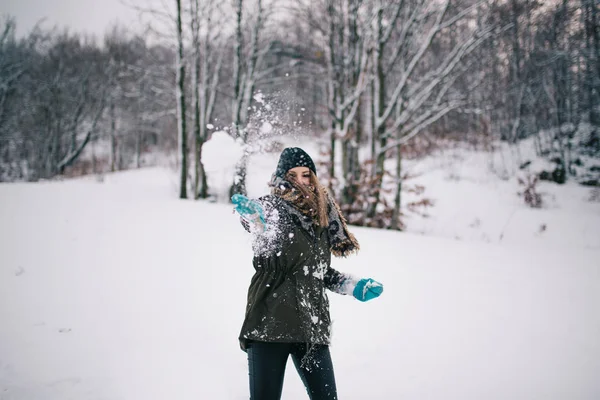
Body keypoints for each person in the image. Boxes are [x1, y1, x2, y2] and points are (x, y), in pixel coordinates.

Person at [233, 147, 384, 400]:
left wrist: (352, 285)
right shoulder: (272, 208)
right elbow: (258, 222)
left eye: (306, 174)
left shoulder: (320, 218)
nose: (301, 181)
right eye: (293, 175)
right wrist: (253, 218)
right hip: (270, 323)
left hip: (311, 327)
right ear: (282, 178)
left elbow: (318, 272)